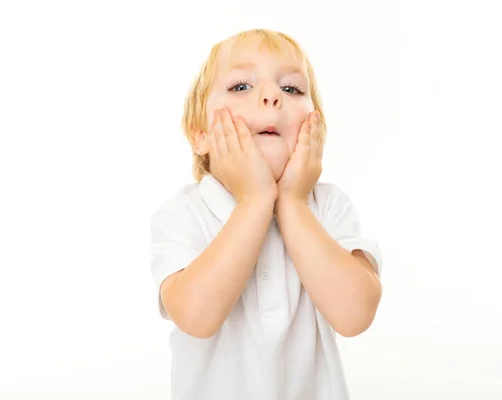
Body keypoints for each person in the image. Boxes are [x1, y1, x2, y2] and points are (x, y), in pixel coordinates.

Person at [148, 28, 383, 400]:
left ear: (314, 127)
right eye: (241, 86)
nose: (272, 95)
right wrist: (255, 200)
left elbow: (355, 316)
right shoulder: (184, 212)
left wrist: (292, 203)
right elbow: (195, 316)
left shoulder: (329, 207)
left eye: (291, 89)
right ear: (201, 135)